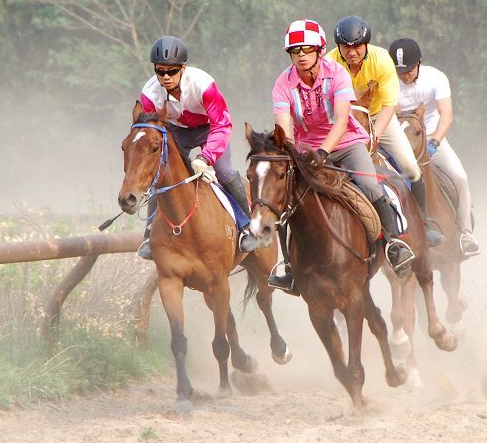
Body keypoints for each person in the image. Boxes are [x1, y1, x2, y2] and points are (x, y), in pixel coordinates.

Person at [269, 18, 415, 288]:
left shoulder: (337, 73)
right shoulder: (282, 83)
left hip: (346, 143)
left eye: (307, 49)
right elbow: (284, 126)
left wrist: (324, 152)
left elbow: (341, 119)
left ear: (319, 50)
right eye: (295, 51)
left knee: (371, 186)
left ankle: (394, 245)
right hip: (306, 149)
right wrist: (293, 151)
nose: (301, 56)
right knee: (284, 199)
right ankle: (289, 266)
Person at [137, 35, 260, 259]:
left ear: (183, 68)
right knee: (161, 175)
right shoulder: (148, 93)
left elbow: (222, 124)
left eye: (172, 71)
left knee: (224, 172)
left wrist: (205, 157)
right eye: (160, 71)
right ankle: (149, 234)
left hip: (210, 129)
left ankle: (246, 227)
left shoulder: (203, 84)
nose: (165, 77)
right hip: (176, 131)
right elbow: (152, 131)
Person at [327, 16, 445, 248]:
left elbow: (390, 105)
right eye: (346, 46)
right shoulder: (329, 62)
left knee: (411, 168)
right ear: (338, 47)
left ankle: (423, 224)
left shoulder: (381, 60)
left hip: (380, 116)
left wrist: (375, 135)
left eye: (357, 46)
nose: (352, 52)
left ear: (366, 45)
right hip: (344, 119)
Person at [388, 38, 481, 259]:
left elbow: (446, 115)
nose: (405, 75)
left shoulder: (435, 77)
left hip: (432, 138)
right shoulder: (390, 82)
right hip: (400, 142)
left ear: (418, 63)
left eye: (409, 69)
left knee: (460, 177)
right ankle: (392, 240)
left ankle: (465, 233)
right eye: (400, 71)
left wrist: (433, 144)